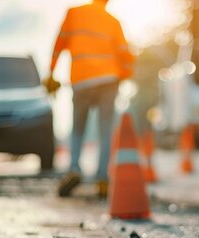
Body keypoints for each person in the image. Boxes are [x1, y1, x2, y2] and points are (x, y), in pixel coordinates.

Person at [46, 0, 134, 198]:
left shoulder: (74, 13)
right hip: (108, 80)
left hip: (82, 80)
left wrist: (50, 73)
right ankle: (103, 178)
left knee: (78, 128)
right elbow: (125, 55)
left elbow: (58, 44)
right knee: (105, 130)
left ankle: (74, 168)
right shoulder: (113, 21)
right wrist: (123, 75)